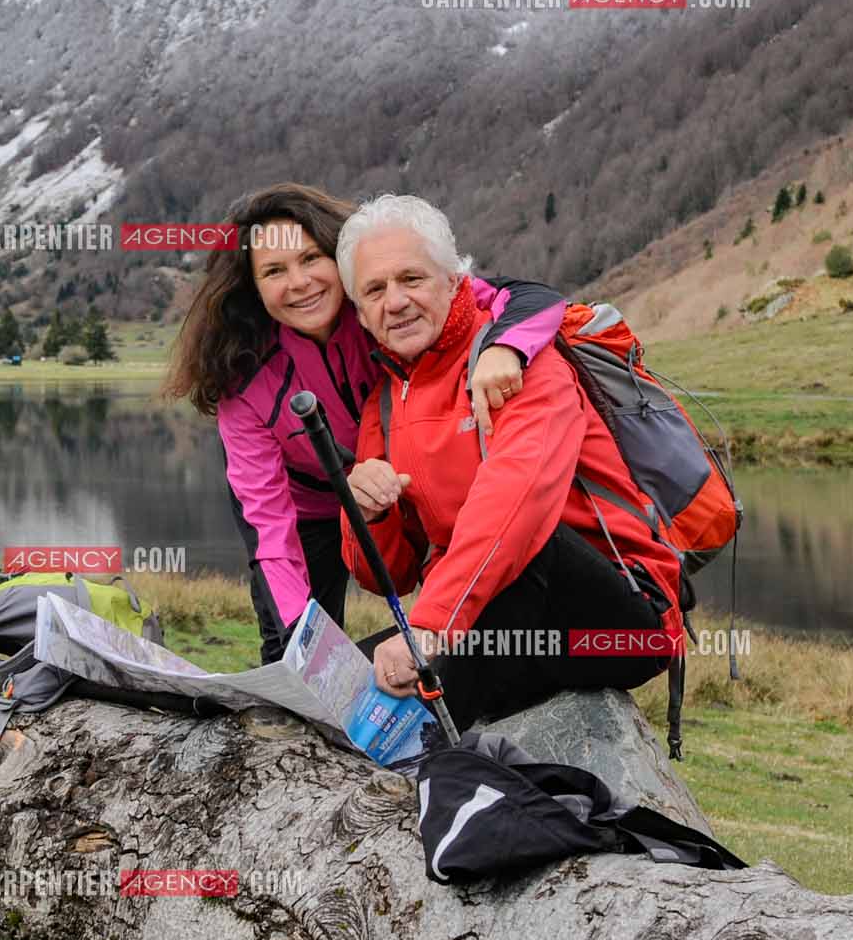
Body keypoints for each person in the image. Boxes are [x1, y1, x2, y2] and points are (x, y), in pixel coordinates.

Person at [163, 184, 566, 663]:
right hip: (303, 510)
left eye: (311, 259)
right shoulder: (242, 374)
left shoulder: (382, 305)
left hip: (393, 484)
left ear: (340, 260)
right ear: (253, 286)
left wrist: (507, 346)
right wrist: (298, 637)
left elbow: (524, 298)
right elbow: (270, 531)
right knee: (292, 643)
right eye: (274, 271)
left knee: (456, 606)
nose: (299, 283)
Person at [334, 194, 683, 727]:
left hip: (620, 623)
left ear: (455, 282)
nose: (396, 301)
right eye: (375, 290)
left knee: (525, 541)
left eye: (412, 279)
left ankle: (422, 761)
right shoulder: (383, 401)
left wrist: (429, 630)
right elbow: (388, 577)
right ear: (360, 312)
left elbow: (512, 508)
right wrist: (366, 512)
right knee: (347, 679)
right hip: (493, 623)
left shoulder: (517, 361)